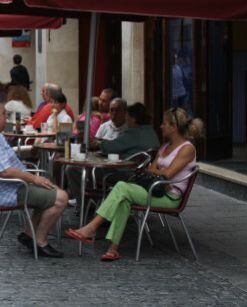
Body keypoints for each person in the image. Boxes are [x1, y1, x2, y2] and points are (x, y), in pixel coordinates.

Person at [66, 107, 203, 262]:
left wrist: (157, 172)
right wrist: (156, 172)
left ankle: (91, 228)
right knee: (123, 197)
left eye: (164, 123)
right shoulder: (165, 147)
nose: (161, 126)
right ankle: (112, 249)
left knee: (121, 187)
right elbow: (152, 171)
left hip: (170, 196)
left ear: (174, 126)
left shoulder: (187, 149)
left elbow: (167, 174)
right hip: (155, 189)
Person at [0, 99, 69, 258]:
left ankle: (29, 234)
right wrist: (33, 179)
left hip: (7, 187)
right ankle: (40, 241)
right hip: (7, 191)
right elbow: (5, 172)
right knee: (61, 198)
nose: (6, 118)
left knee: (49, 190)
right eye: (3, 114)